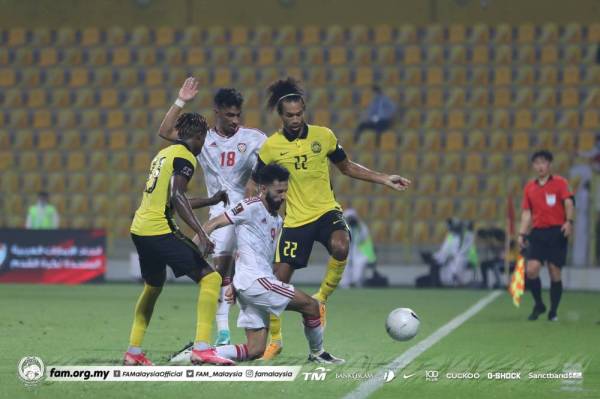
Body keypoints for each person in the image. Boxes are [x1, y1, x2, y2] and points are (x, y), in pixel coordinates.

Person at [252, 77, 411, 359]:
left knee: (341, 246)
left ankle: (321, 299)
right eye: (289, 115)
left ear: (304, 110)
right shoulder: (270, 147)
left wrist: (384, 178)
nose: (295, 119)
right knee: (277, 283)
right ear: (281, 115)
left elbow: (347, 166)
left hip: (326, 211)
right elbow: (258, 184)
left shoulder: (323, 136)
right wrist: (261, 214)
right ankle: (275, 339)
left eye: (299, 113)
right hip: (295, 221)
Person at [169, 164, 344, 364]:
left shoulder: (277, 219)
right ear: (263, 189)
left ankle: (196, 353)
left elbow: (248, 251)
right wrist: (189, 253)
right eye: (279, 191)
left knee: (255, 349)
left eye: (286, 191)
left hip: (250, 282)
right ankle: (318, 353)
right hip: (255, 282)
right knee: (311, 306)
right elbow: (213, 223)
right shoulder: (249, 207)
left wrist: (235, 284)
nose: (284, 196)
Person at [157, 77, 266, 346]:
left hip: (250, 213)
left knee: (248, 274)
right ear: (216, 112)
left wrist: (257, 178)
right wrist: (181, 100)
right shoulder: (202, 138)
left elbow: (277, 161)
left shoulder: (254, 138)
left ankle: (240, 332)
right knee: (220, 271)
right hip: (220, 211)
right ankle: (223, 331)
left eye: (238, 114)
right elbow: (165, 131)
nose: (235, 120)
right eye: (229, 115)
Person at [124, 110, 233, 366]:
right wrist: (202, 233)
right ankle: (203, 348)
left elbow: (175, 197)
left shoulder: (164, 154)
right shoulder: (185, 157)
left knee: (153, 287)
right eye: (203, 138)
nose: (203, 143)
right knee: (212, 277)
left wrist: (210, 200)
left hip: (140, 229)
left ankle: (134, 351)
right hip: (159, 230)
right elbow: (176, 197)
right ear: (197, 136)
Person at [518, 150, 574, 322]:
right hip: (538, 233)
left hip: (557, 232)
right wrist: (521, 233)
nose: (540, 166)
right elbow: (527, 213)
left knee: (554, 271)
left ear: (549, 164)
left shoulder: (560, 183)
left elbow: (568, 202)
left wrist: (569, 222)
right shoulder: (530, 187)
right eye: (537, 163)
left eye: (543, 162)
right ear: (533, 166)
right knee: (531, 270)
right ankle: (539, 304)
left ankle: (553, 311)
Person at [340, 208, 377, 288]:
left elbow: (364, 239)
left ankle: (357, 284)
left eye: (352, 218)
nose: (351, 220)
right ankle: (345, 285)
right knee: (344, 268)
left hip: (359, 253)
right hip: (346, 253)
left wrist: (358, 225)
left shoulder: (362, 227)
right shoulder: (342, 227)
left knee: (358, 271)